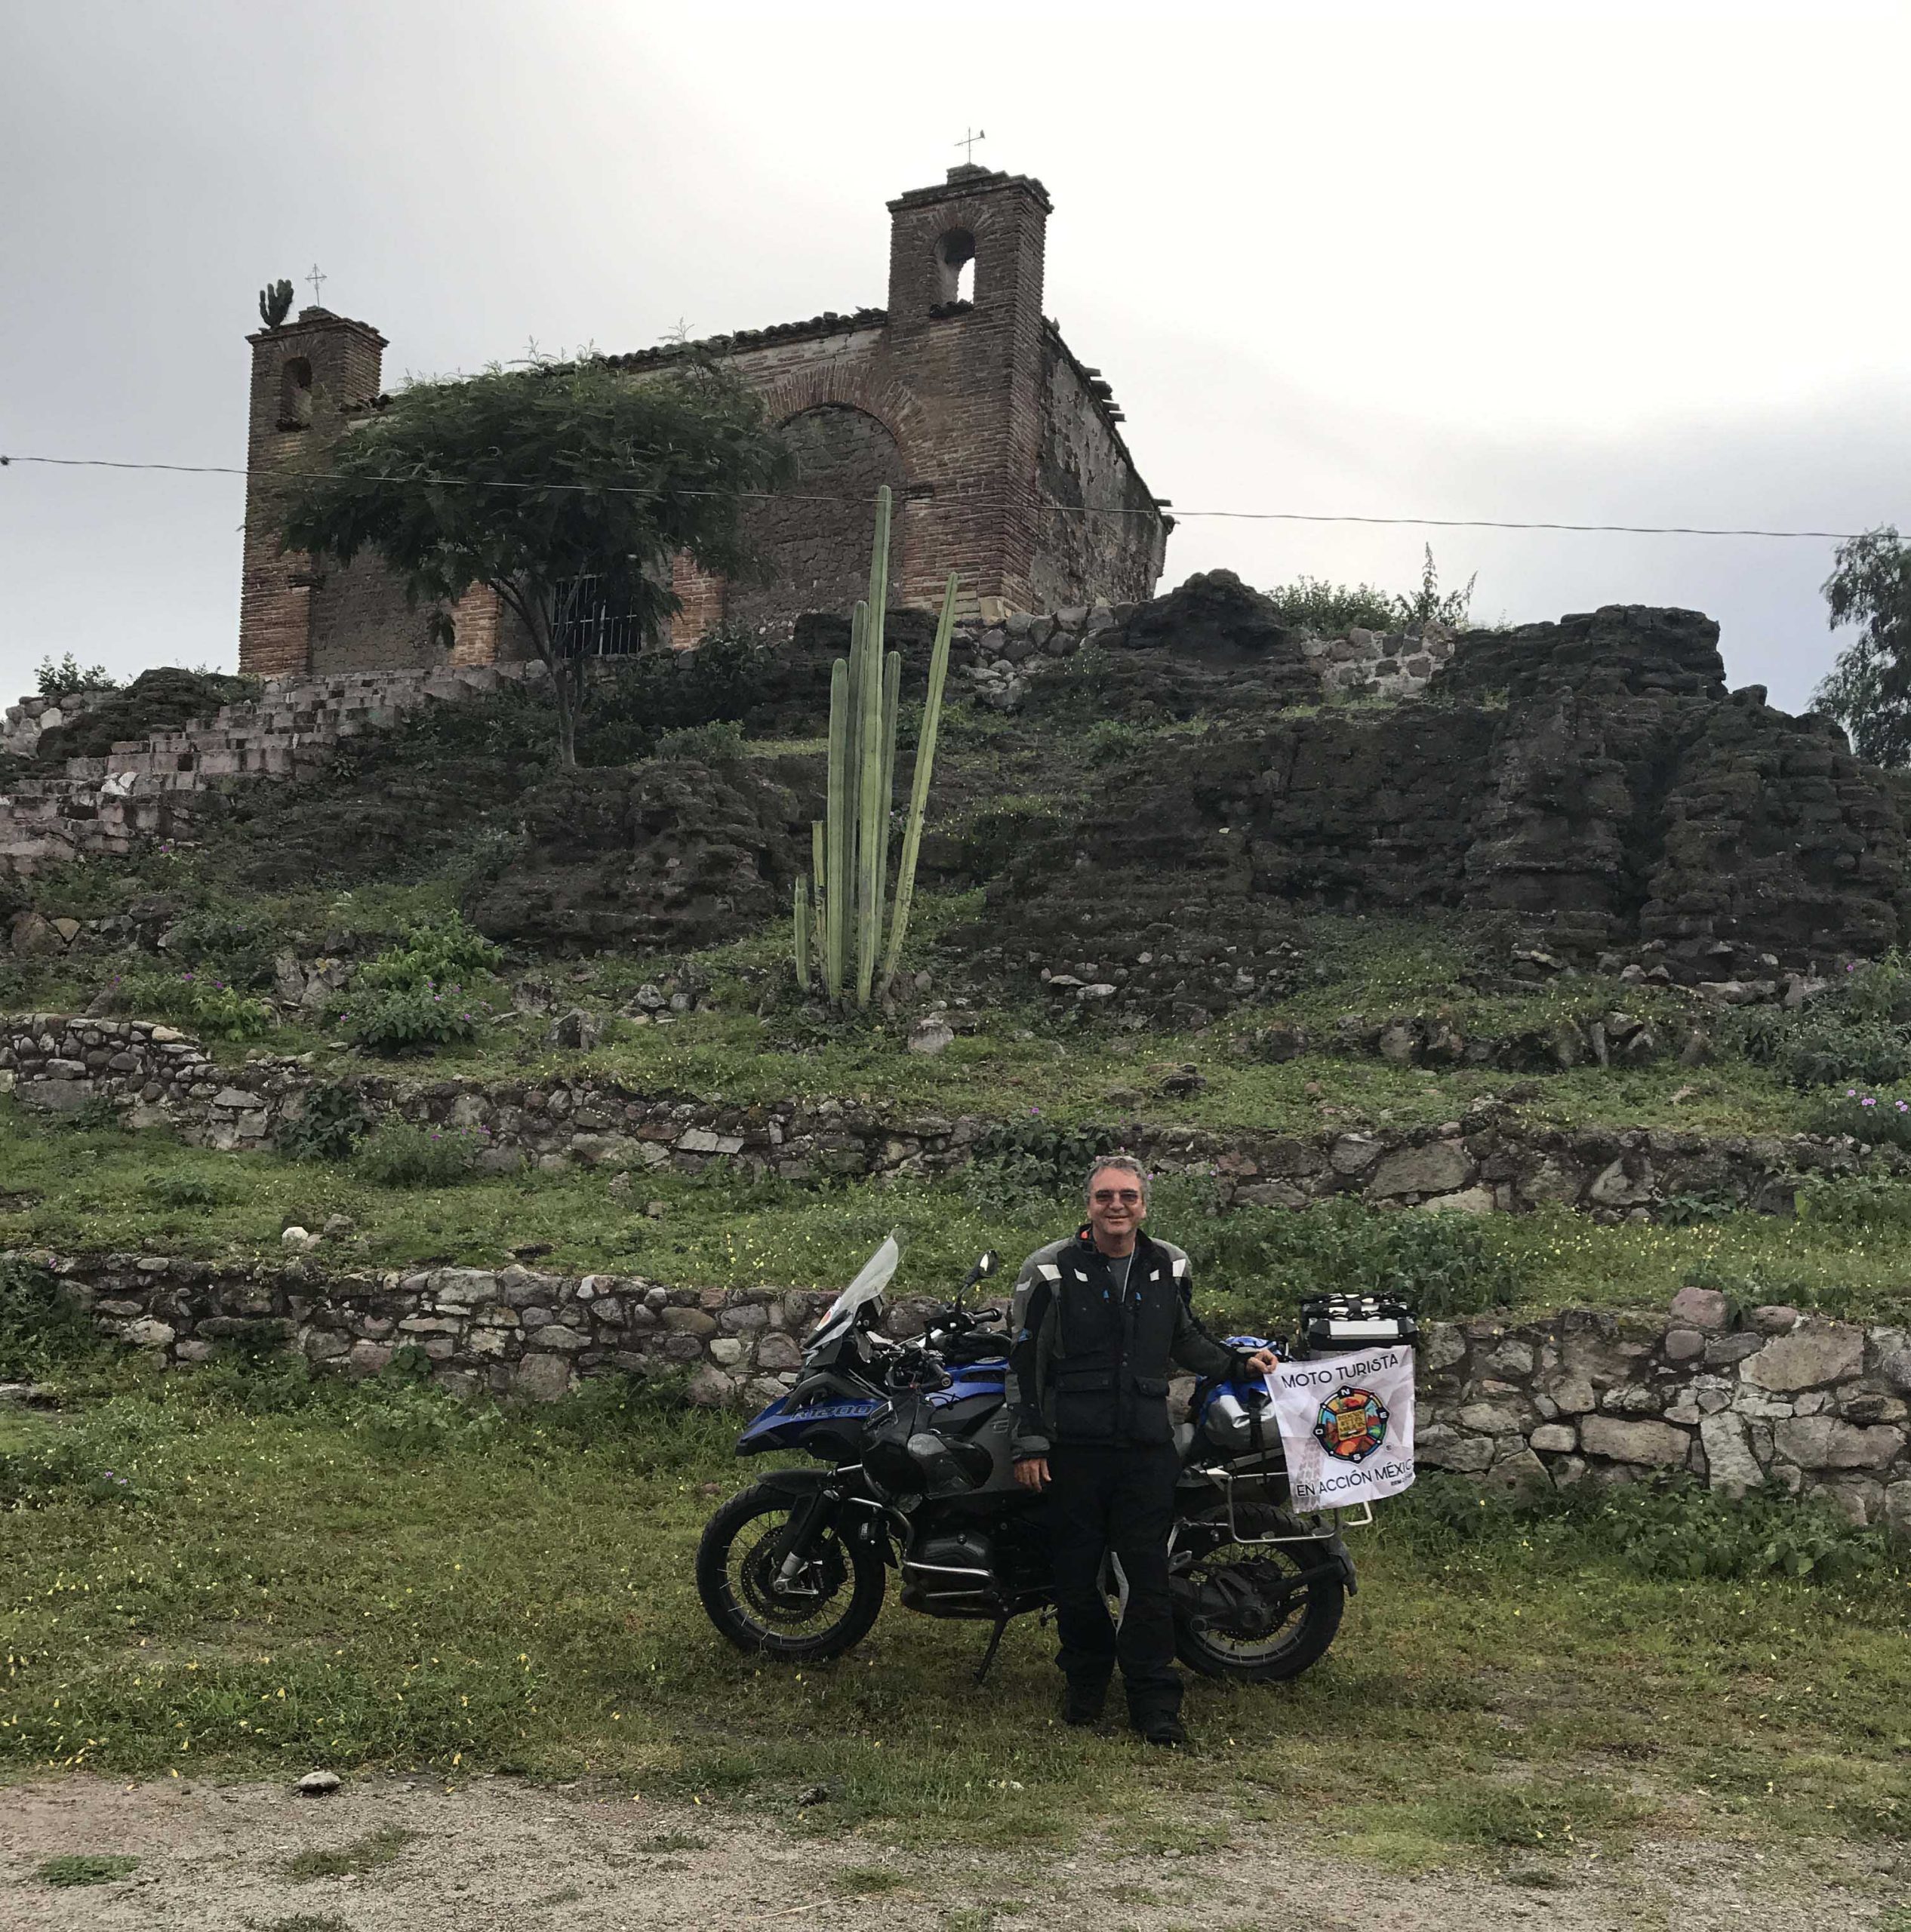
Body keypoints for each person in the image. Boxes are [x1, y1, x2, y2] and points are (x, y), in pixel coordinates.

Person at [1005, 1155, 1278, 1746]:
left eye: (1128, 1196)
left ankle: (1155, 1703)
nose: (1117, 1206)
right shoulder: (1051, 1270)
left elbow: (1186, 1335)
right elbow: (1026, 1361)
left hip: (1145, 1449)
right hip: (1074, 1449)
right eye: (1105, 1196)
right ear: (1089, 1205)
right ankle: (1085, 1686)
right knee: (1075, 1581)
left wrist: (1236, 1362)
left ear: (1143, 1205)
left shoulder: (1167, 1264)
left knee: (1146, 1581)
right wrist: (1029, 1441)